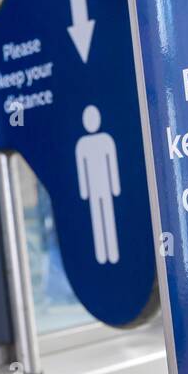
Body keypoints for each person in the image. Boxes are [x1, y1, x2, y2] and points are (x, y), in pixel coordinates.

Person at [75, 105, 121, 265]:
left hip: (105, 187)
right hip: (94, 190)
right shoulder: (82, 145)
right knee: (98, 220)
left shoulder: (106, 141)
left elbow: (111, 164)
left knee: (108, 216)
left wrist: (115, 187)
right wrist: (84, 192)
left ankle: (113, 253)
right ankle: (102, 255)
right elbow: (82, 168)